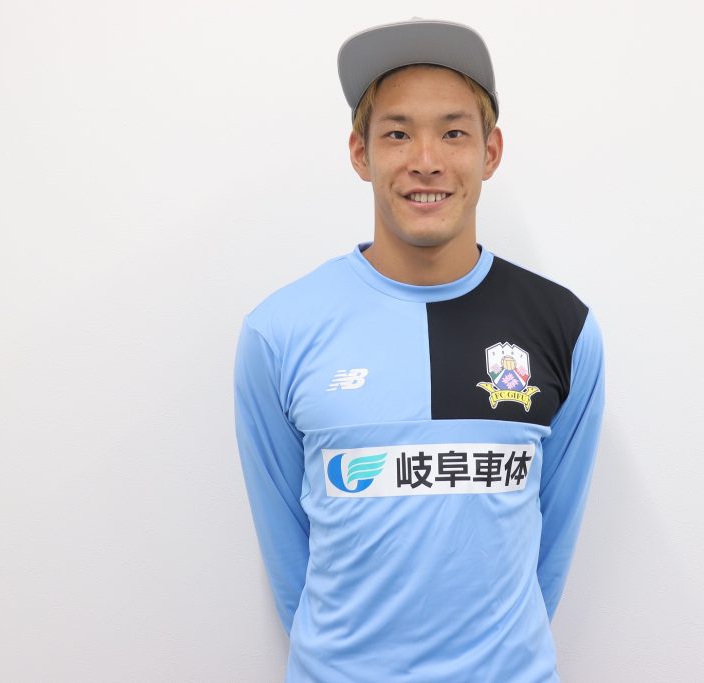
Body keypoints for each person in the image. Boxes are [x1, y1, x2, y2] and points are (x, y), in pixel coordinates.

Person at [233, 18, 606, 682]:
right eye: (398, 133)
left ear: (491, 152)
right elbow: (290, 556)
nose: (426, 160)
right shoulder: (280, 330)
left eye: (453, 132)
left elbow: (550, 547)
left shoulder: (562, 327)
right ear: (360, 153)